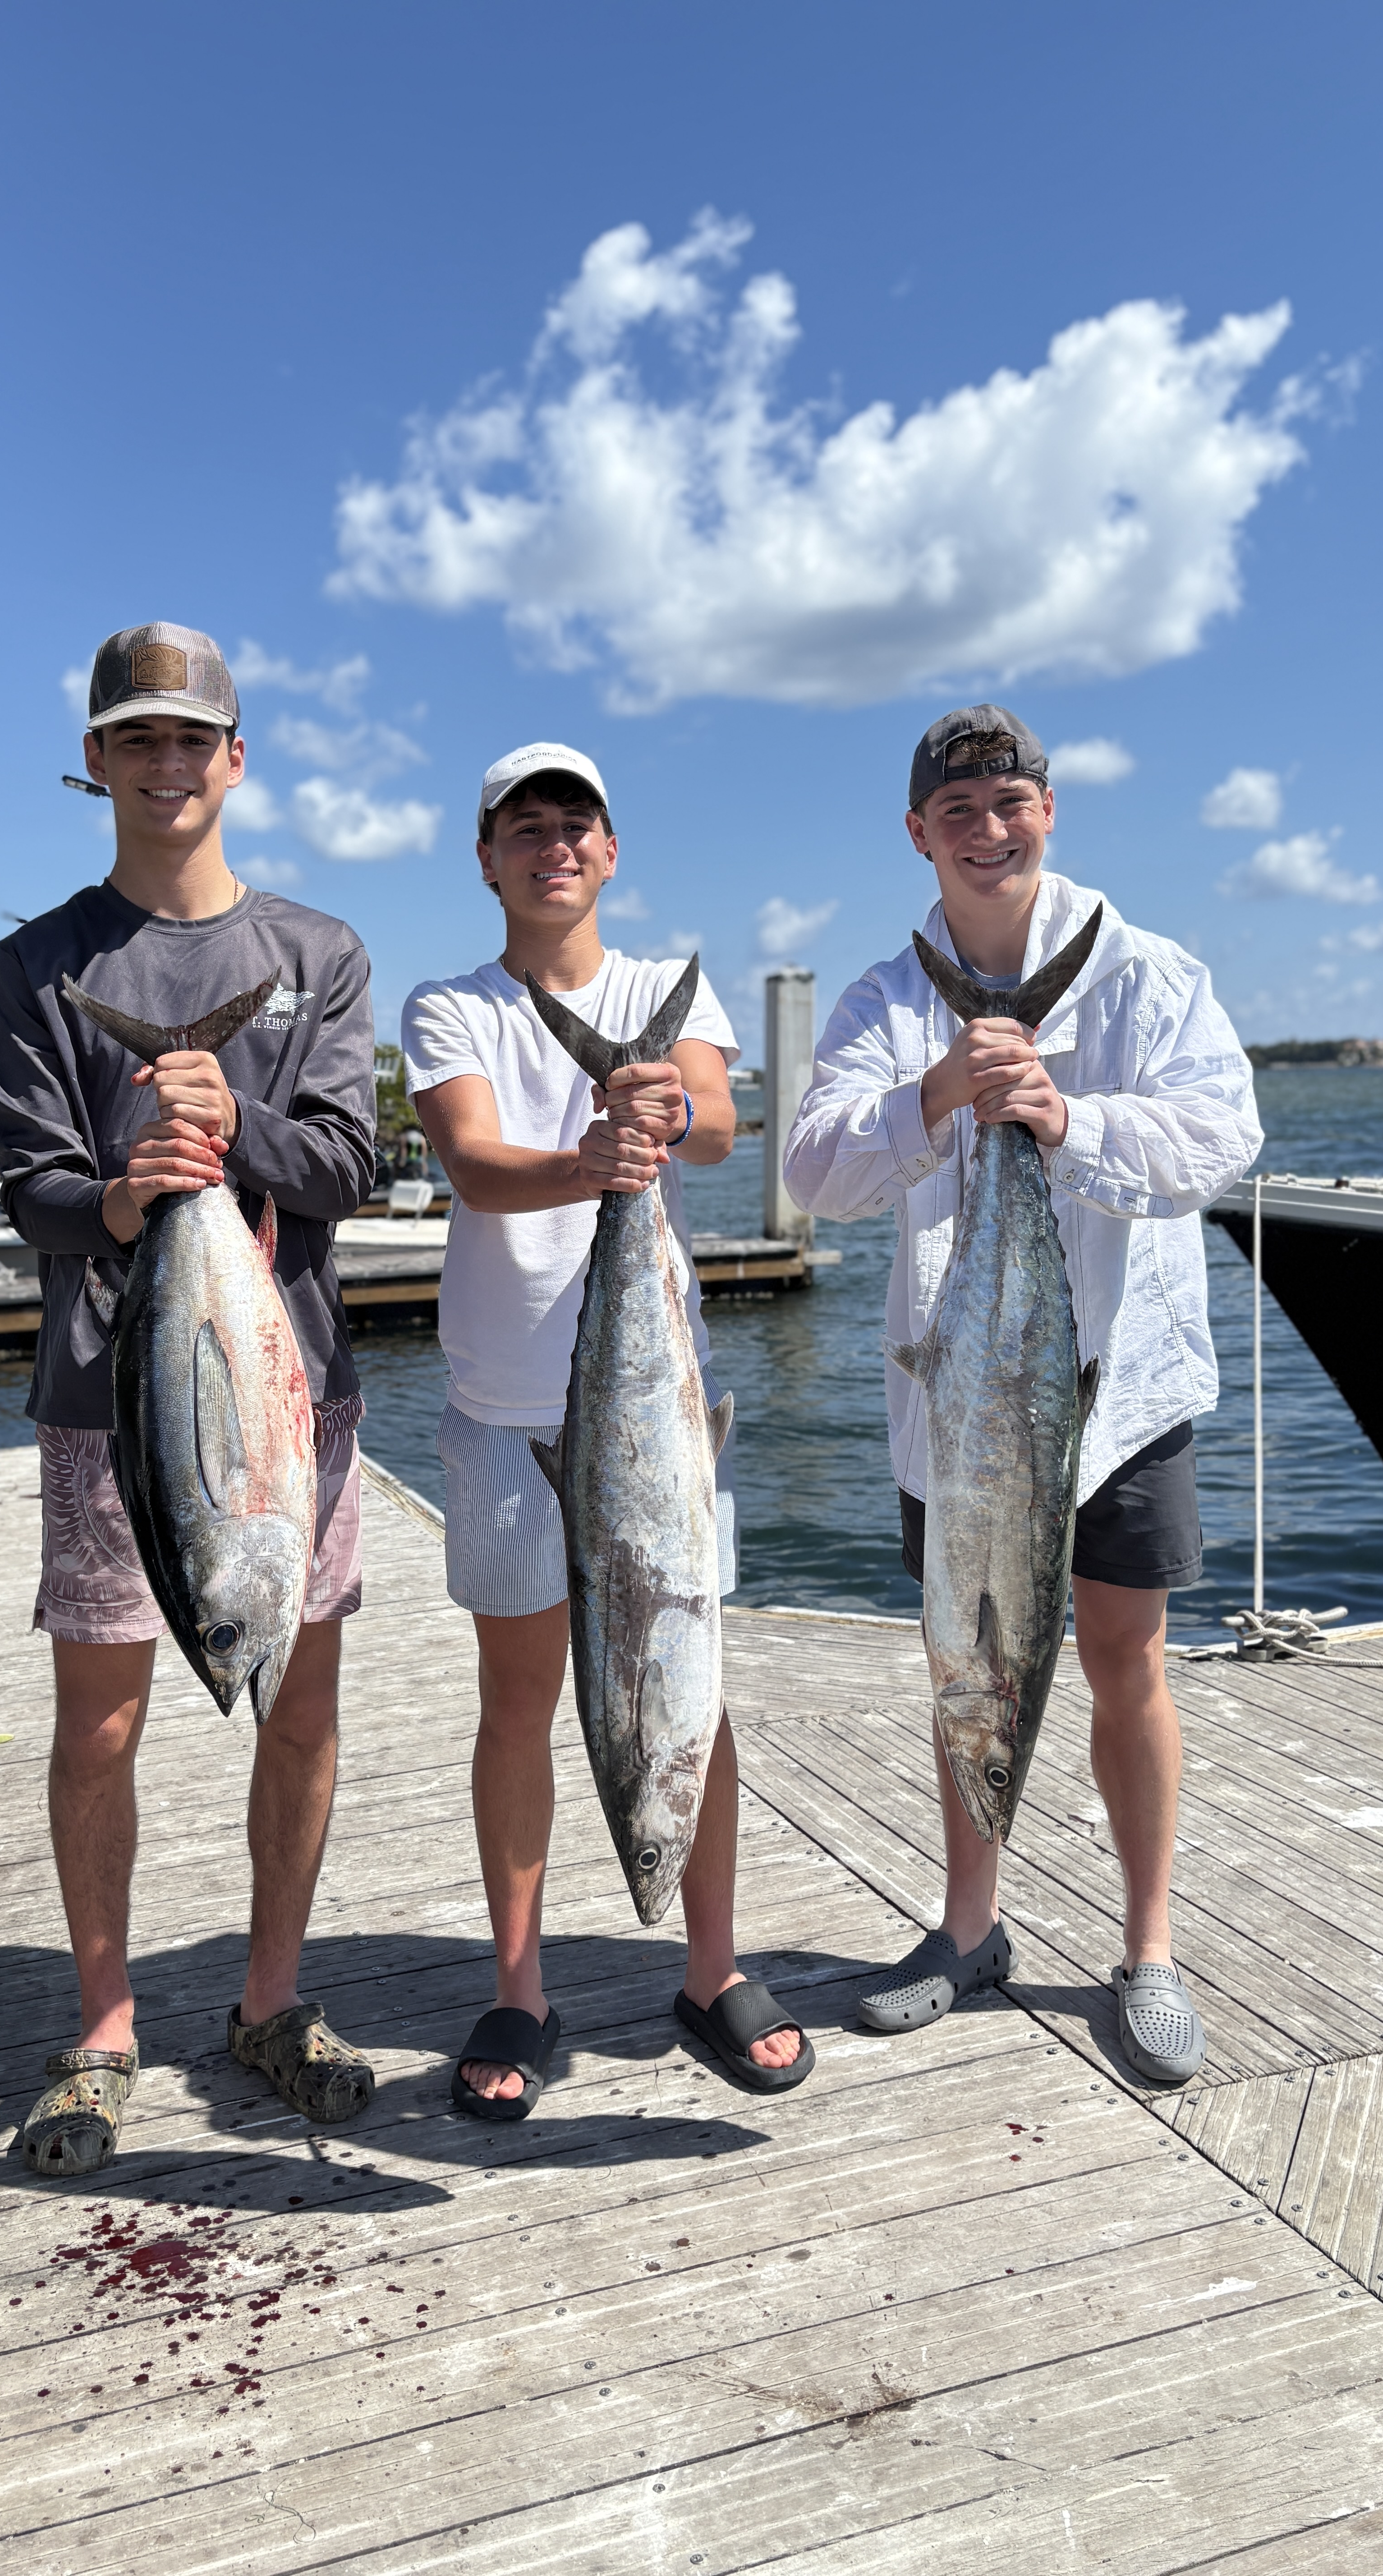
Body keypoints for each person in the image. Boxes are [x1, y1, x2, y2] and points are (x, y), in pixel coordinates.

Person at [783, 706, 1261, 2086]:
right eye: (958, 810)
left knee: (1126, 1657)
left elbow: (1223, 1137)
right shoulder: (887, 997)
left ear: (1048, 811)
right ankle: (966, 1931)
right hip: (964, 1408)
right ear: (917, 833)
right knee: (964, 1662)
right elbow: (813, 1176)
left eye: (1011, 803)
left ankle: (1148, 1949)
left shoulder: (1150, 973)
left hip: (1117, 1389)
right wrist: (938, 1089)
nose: (987, 831)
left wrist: (1063, 1117)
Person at [0, 623, 379, 2176]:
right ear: (95, 759)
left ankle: (270, 2003)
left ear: (236, 754)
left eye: (191, 736)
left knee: (302, 1706)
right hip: (107, 1395)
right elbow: (32, 1190)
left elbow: (350, 1166)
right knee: (103, 1724)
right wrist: (130, 1196)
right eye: (135, 737)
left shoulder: (321, 953)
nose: (166, 761)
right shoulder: (39, 965)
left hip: (297, 1401)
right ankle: (103, 2024)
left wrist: (237, 1125)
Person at [401, 743, 815, 2117]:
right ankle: (518, 1988)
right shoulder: (449, 1005)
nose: (551, 846)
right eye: (524, 828)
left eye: (574, 825)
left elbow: (713, 1120)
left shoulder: (654, 991)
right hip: (504, 1405)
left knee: (694, 1692)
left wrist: (668, 1107)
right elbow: (467, 1159)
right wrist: (594, 1157)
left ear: (609, 852)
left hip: (657, 1416)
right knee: (518, 1704)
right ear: (486, 859)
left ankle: (710, 1970)